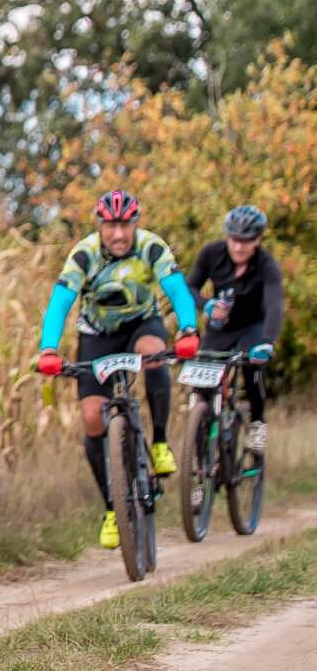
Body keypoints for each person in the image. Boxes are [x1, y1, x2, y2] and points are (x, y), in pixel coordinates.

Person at [36, 189, 198, 548]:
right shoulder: (85, 254)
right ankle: (112, 508)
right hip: (97, 335)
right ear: (100, 226)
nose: (119, 234)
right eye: (111, 226)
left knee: (154, 353)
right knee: (92, 417)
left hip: (142, 324)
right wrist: (48, 349)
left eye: (126, 225)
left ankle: (159, 442)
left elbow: (176, 289)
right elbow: (60, 302)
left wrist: (188, 328)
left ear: (136, 224)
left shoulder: (151, 247)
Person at [186, 204, 283, 452]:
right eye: (234, 239)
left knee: (252, 367)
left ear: (257, 240)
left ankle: (257, 423)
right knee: (201, 381)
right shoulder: (211, 253)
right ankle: (201, 439)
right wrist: (206, 304)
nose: (239, 247)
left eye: (246, 241)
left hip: (253, 327)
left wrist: (268, 342)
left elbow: (274, 305)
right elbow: (189, 288)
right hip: (221, 328)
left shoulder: (266, 265)